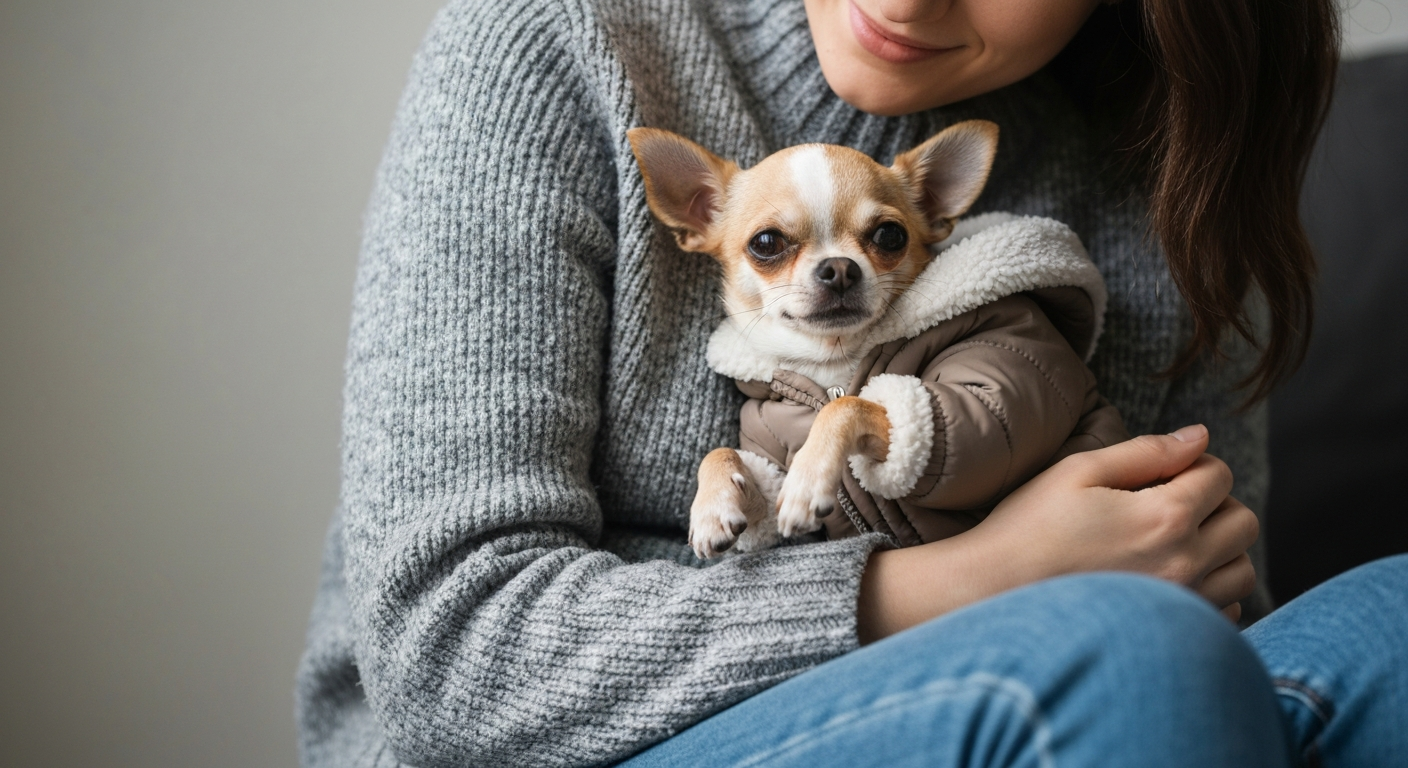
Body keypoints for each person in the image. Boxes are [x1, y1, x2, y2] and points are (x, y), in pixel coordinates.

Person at [295, 0, 1408, 765]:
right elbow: (448, 660)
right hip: (562, 742)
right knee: (1125, 654)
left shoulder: (1158, 173)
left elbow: (1216, 606)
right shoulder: (563, 44)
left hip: (1089, 677)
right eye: (773, 247)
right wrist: (980, 576)